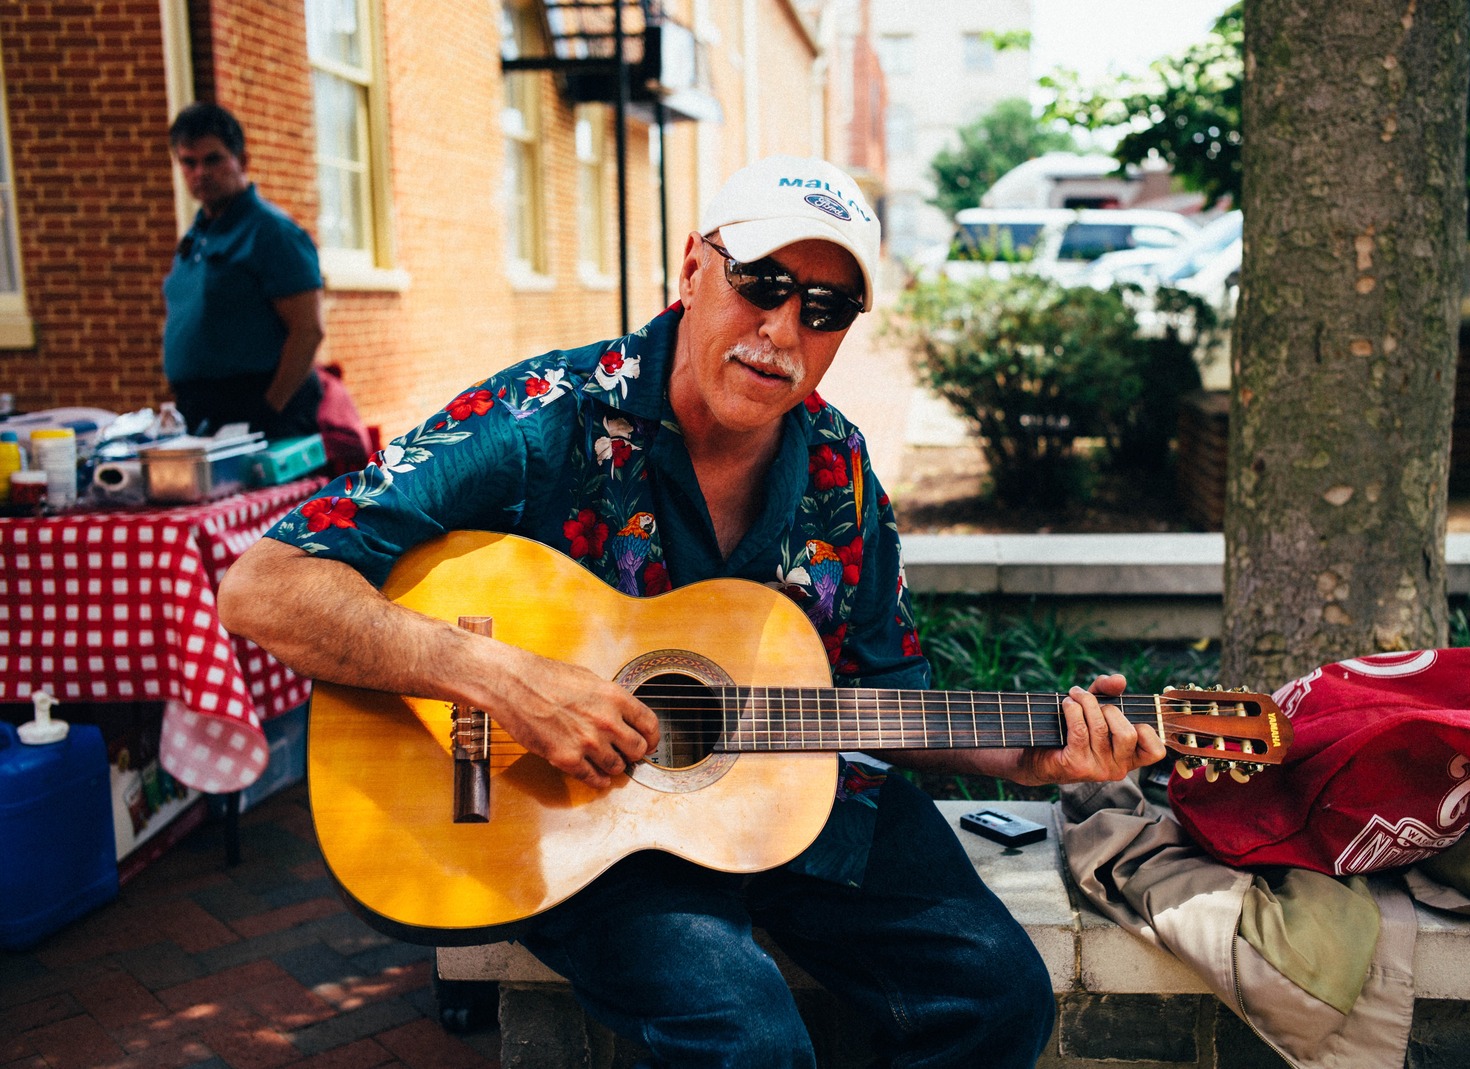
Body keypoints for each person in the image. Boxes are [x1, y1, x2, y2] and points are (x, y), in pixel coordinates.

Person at [218, 155, 1165, 1067]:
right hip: (574, 818)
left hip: (798, 803)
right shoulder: (545, 417)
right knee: (746, 1040)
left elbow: (888, 693)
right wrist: (502, 679)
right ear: (691, 266)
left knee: (1001, 997)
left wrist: (1032, 754)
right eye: (761, 281)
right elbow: (263, 586)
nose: (783, 330)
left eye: (826, 308)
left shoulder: (839, 469)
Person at [162, 102, 325, 438]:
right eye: (188, 163)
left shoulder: (271, 232)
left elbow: (307, 331)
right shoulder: (196, 236)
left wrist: (267, 410)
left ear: (242, 161)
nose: (200, 173)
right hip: (200, 410)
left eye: (213, 159)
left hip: (256, 408)